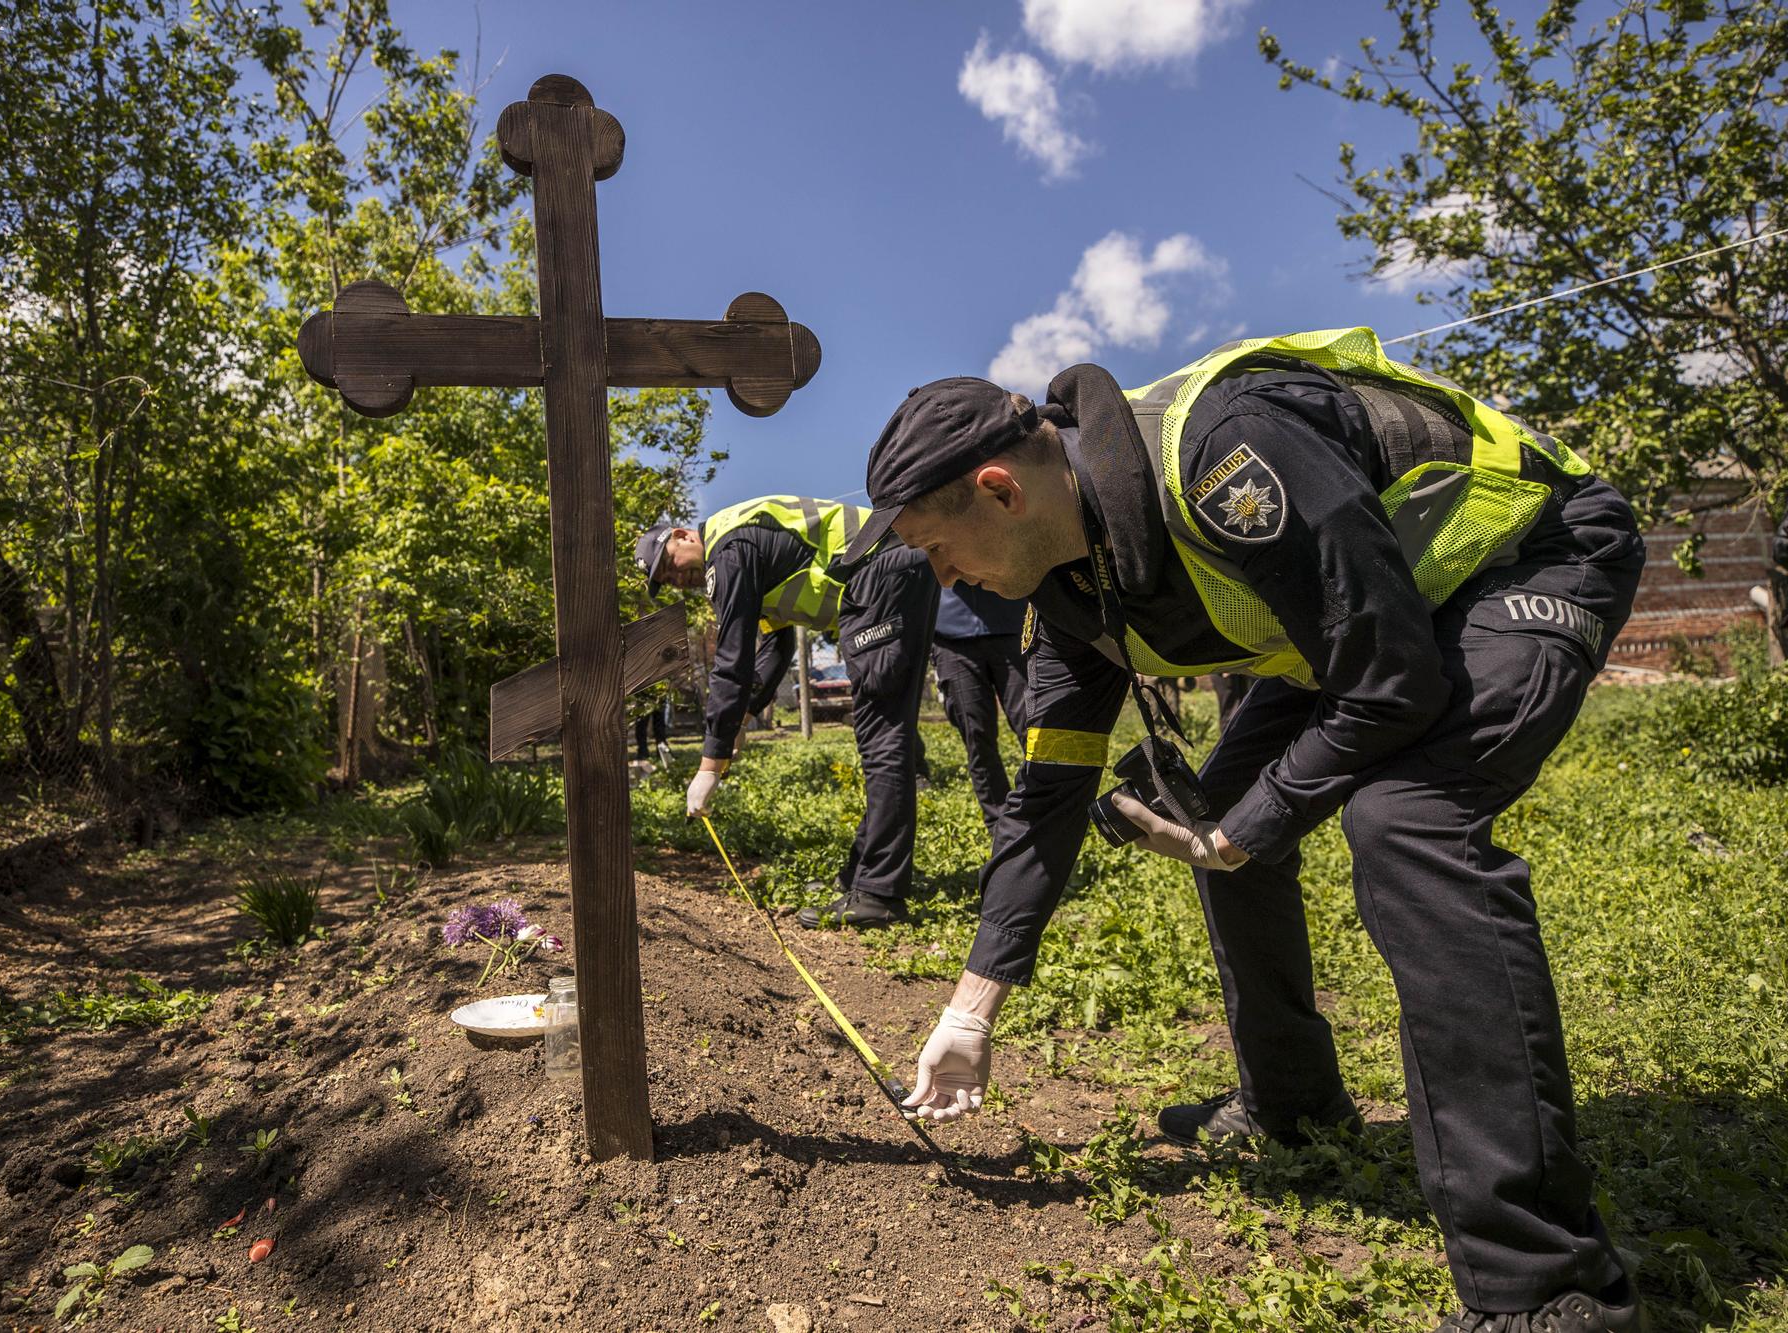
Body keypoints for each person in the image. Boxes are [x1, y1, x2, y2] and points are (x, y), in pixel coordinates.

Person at [840, 329, 1646, 1333]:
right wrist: (971, 1007)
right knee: (1219, 812)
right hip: (1356, 629)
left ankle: (1547, 1285)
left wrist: (1248, 827)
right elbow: (1045, 801)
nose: (947, 583)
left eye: (934, 551)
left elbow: (1393, 682)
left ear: (1000, 491)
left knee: (1407, 822)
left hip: (1525, 552)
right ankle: (1292, 1101)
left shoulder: (1223, 455)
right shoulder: (1070, 588)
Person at [635, 496, 938, 928]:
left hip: (879, 574)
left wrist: (709, 765)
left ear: (683, 535)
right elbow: (771, 651)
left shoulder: (728, 549)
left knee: (884, 740)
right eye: (665, 579)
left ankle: (879, 894)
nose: (674, 578)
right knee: (884, 738)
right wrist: (742, 718)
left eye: (669, 564)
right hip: (890, 571)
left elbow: (731, 659)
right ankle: (862, 878)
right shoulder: (745, 547)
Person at [931, 582, 1029, 841]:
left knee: (1034, 730)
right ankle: (998, 824)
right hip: (950, 635)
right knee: (977, 736)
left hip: (1009, 620)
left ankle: (1044, 809)